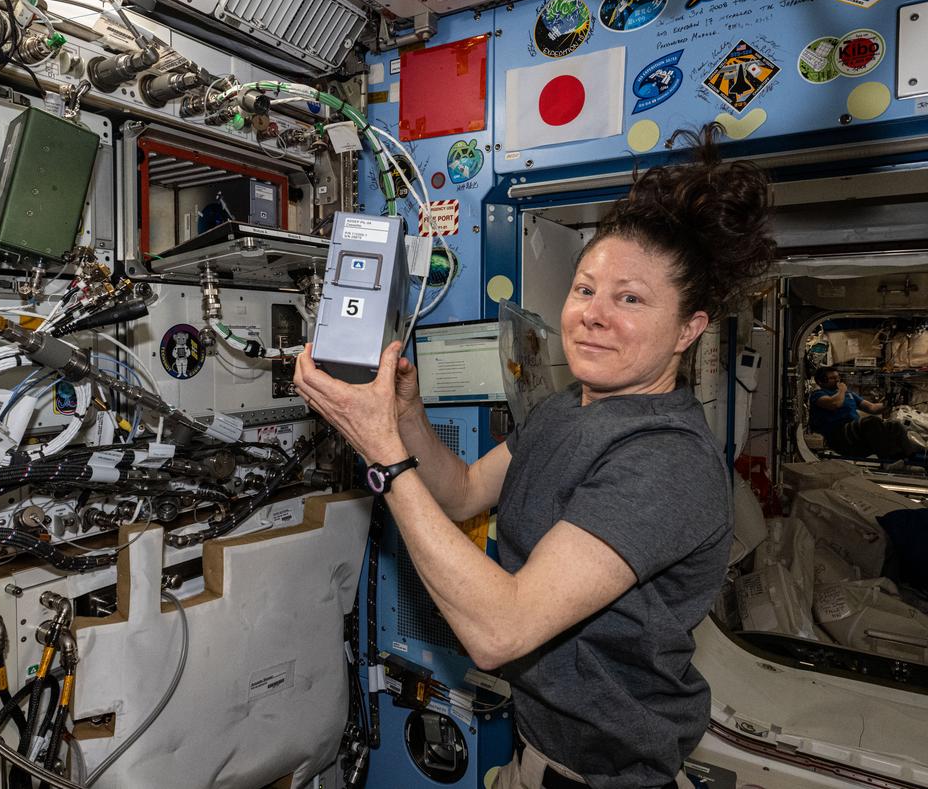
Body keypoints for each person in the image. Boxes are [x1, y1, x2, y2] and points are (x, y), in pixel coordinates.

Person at [293, 124, 775, 789]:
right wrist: (406, 417)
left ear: (689, 329)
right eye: (584, 290)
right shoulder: (562, 409)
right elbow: (461, 490)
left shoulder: (665, 459)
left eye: (629, 298)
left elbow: (501, 629)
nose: (592, 314)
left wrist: (383, 455)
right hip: (535, 751)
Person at [809, 366, 918, 460]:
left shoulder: (849, 394)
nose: (837, 381)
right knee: (871, 422)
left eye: (838, 377)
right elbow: (834, 404)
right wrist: (841, 390)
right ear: (820, 381)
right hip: (839, 436)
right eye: (832, 378)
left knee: (894, 425)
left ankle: (909, 458)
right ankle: (888, 460)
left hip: (856, 433)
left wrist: (889, 404)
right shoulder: (818, 394)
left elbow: (872, 408)